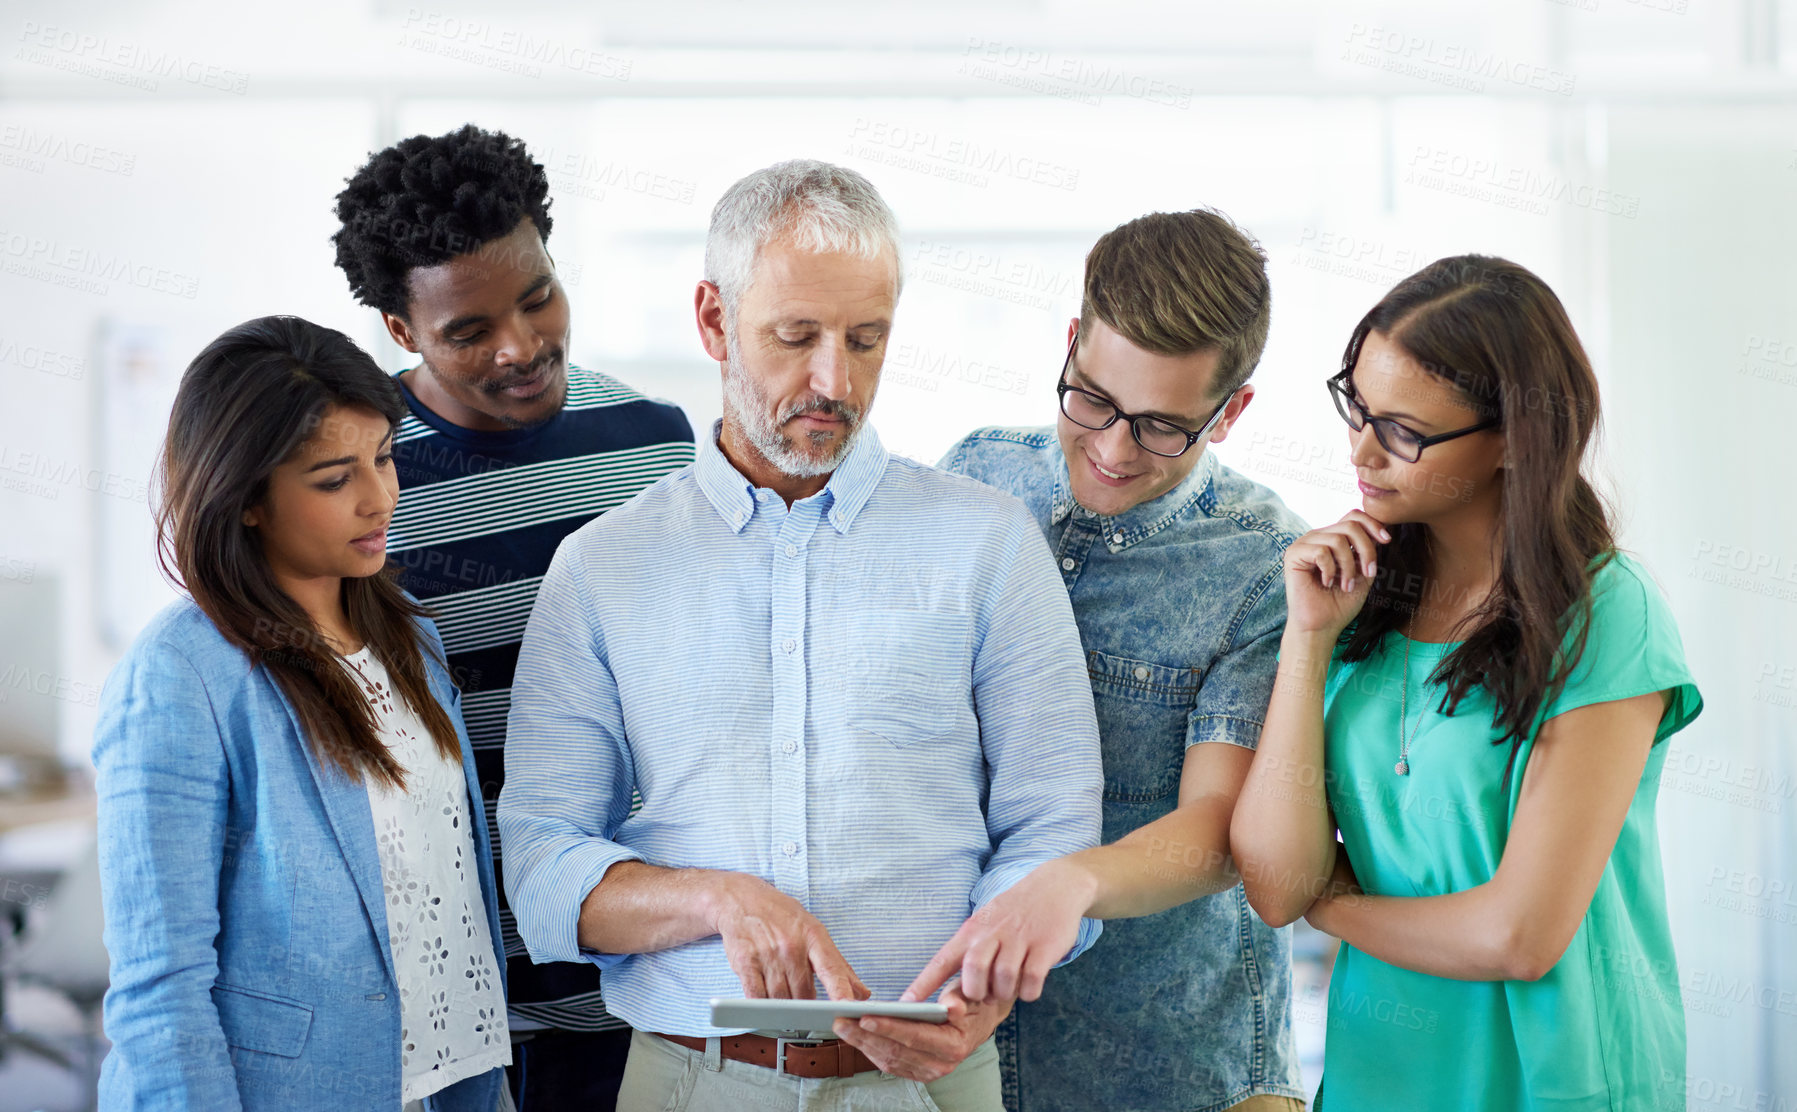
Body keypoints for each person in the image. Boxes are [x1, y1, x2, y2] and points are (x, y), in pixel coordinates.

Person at [497, 159, 1105, 1112]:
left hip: (934, 1085)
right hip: (689, 1083)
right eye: (795, 336)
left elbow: (1052, 832)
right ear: (711, 321)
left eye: (867, 339)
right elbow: (541, 864)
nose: (835, 380)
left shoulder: (987, 543)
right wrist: (715, 899)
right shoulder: (602, 568)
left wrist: (994, 972)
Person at [1229, 255, 1704, 1110]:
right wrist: (1306, 642)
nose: (1361, 450)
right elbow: (1273, 884)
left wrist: (1334, 910)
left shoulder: (1604, 615)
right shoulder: (1351, 599)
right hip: (1384, 1074)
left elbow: (1520, 935)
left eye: (1403, 431)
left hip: (1555, 1076)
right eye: (1356, 408)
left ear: (1515, 438)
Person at [332, 123, 695, 1110]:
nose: (521, 346)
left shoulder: (654, 446)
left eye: (538, 297)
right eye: (468, 330)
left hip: (632, 983)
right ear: (401, 331)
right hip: (441, 1000)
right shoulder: (357, 479)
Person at [923, 209, 1307, 1111]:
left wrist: (1070, 882)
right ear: (1070, 346)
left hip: (1174, 1072)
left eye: (1161, 426)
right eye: (1092, 399)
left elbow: (1221, 828)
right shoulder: (978, 477)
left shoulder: (1265, 567)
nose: (1111, 448)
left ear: (1232, 409)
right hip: (960, 1062)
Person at [93, 316, 510, 1111]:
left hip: (457, 1077)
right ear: (246, 499)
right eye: (333, 479)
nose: (379, 497)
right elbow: (160, 987)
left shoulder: (409, 632)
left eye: (385, 458)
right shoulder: (181, 674)